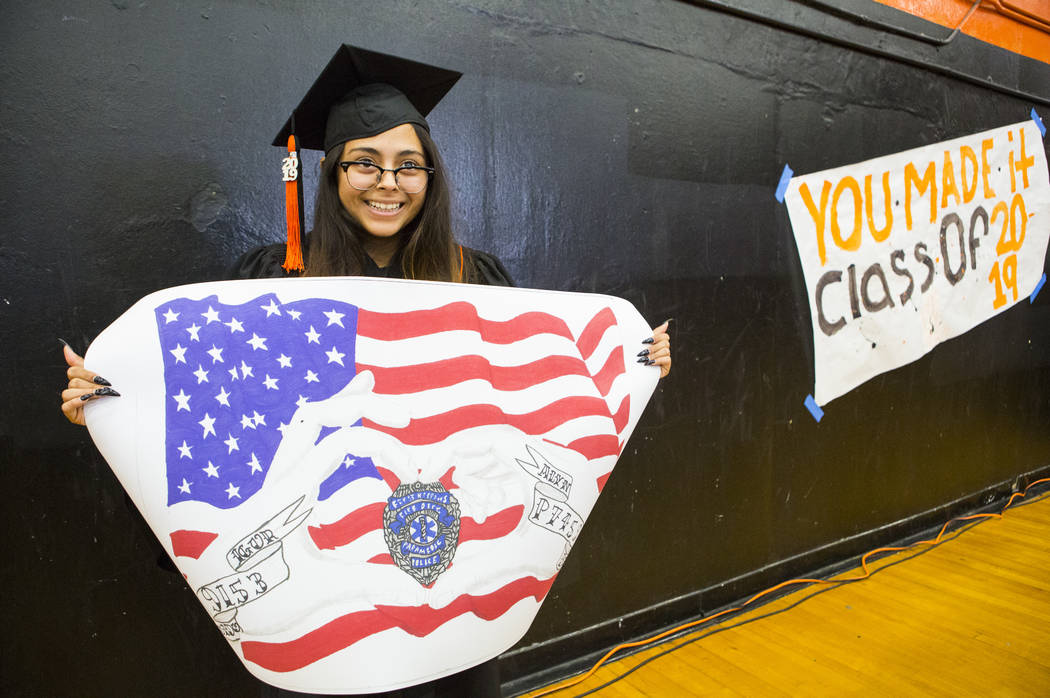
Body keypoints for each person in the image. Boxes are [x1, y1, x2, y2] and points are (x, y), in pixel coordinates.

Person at [59, 45, 670, 697]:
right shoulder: (273, 283)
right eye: (365, 163)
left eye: (409, 166)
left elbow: (528, 406)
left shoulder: (478, 279)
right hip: (332, 589)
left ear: (431, 178)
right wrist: (109, 397)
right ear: (330, 172)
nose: (388, 182)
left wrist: (637, 360)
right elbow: (211, 417)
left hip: (460, 577)